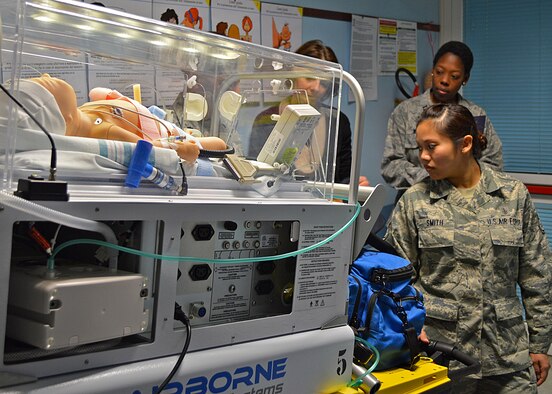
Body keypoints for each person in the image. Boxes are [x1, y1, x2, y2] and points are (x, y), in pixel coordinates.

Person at [384, 103, 551, 393]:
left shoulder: (512, 195)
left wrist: (540, 343)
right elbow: (393, 277)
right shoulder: (416, 201)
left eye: (432, 146)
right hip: (440, 356)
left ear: (466, 144)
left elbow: (537, 275)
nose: (423, 157)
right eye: (420, 147)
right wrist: (409, 325)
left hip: (506, 355)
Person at [381, 41, 503, 200]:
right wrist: (434, 177)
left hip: (465, 208)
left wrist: (462, 178)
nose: (445, 80)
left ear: (465, 79)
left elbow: (494, 164)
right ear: (432, 71)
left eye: (454, 76)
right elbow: (390, 166)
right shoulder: (405, 112)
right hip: (416, 204)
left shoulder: (475, 115)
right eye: (439, 72)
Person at [26, 74, 227, 163]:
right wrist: (179, 148)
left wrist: (111, 99)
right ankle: (196, 139)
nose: (46, 73)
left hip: (147, 115)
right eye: (46, 82)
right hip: (165, 133)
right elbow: (149, 148)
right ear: (66, 119)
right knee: (218, 144)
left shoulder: (83, 111)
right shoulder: (102, 131)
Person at [249, 39, 368, 185]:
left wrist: (355, 186)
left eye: (324, 83)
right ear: (293, 74)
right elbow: (256, 175)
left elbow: (343, 177)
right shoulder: (266, 119)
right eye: (309, 78)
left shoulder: (338, 121)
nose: (316, 87)